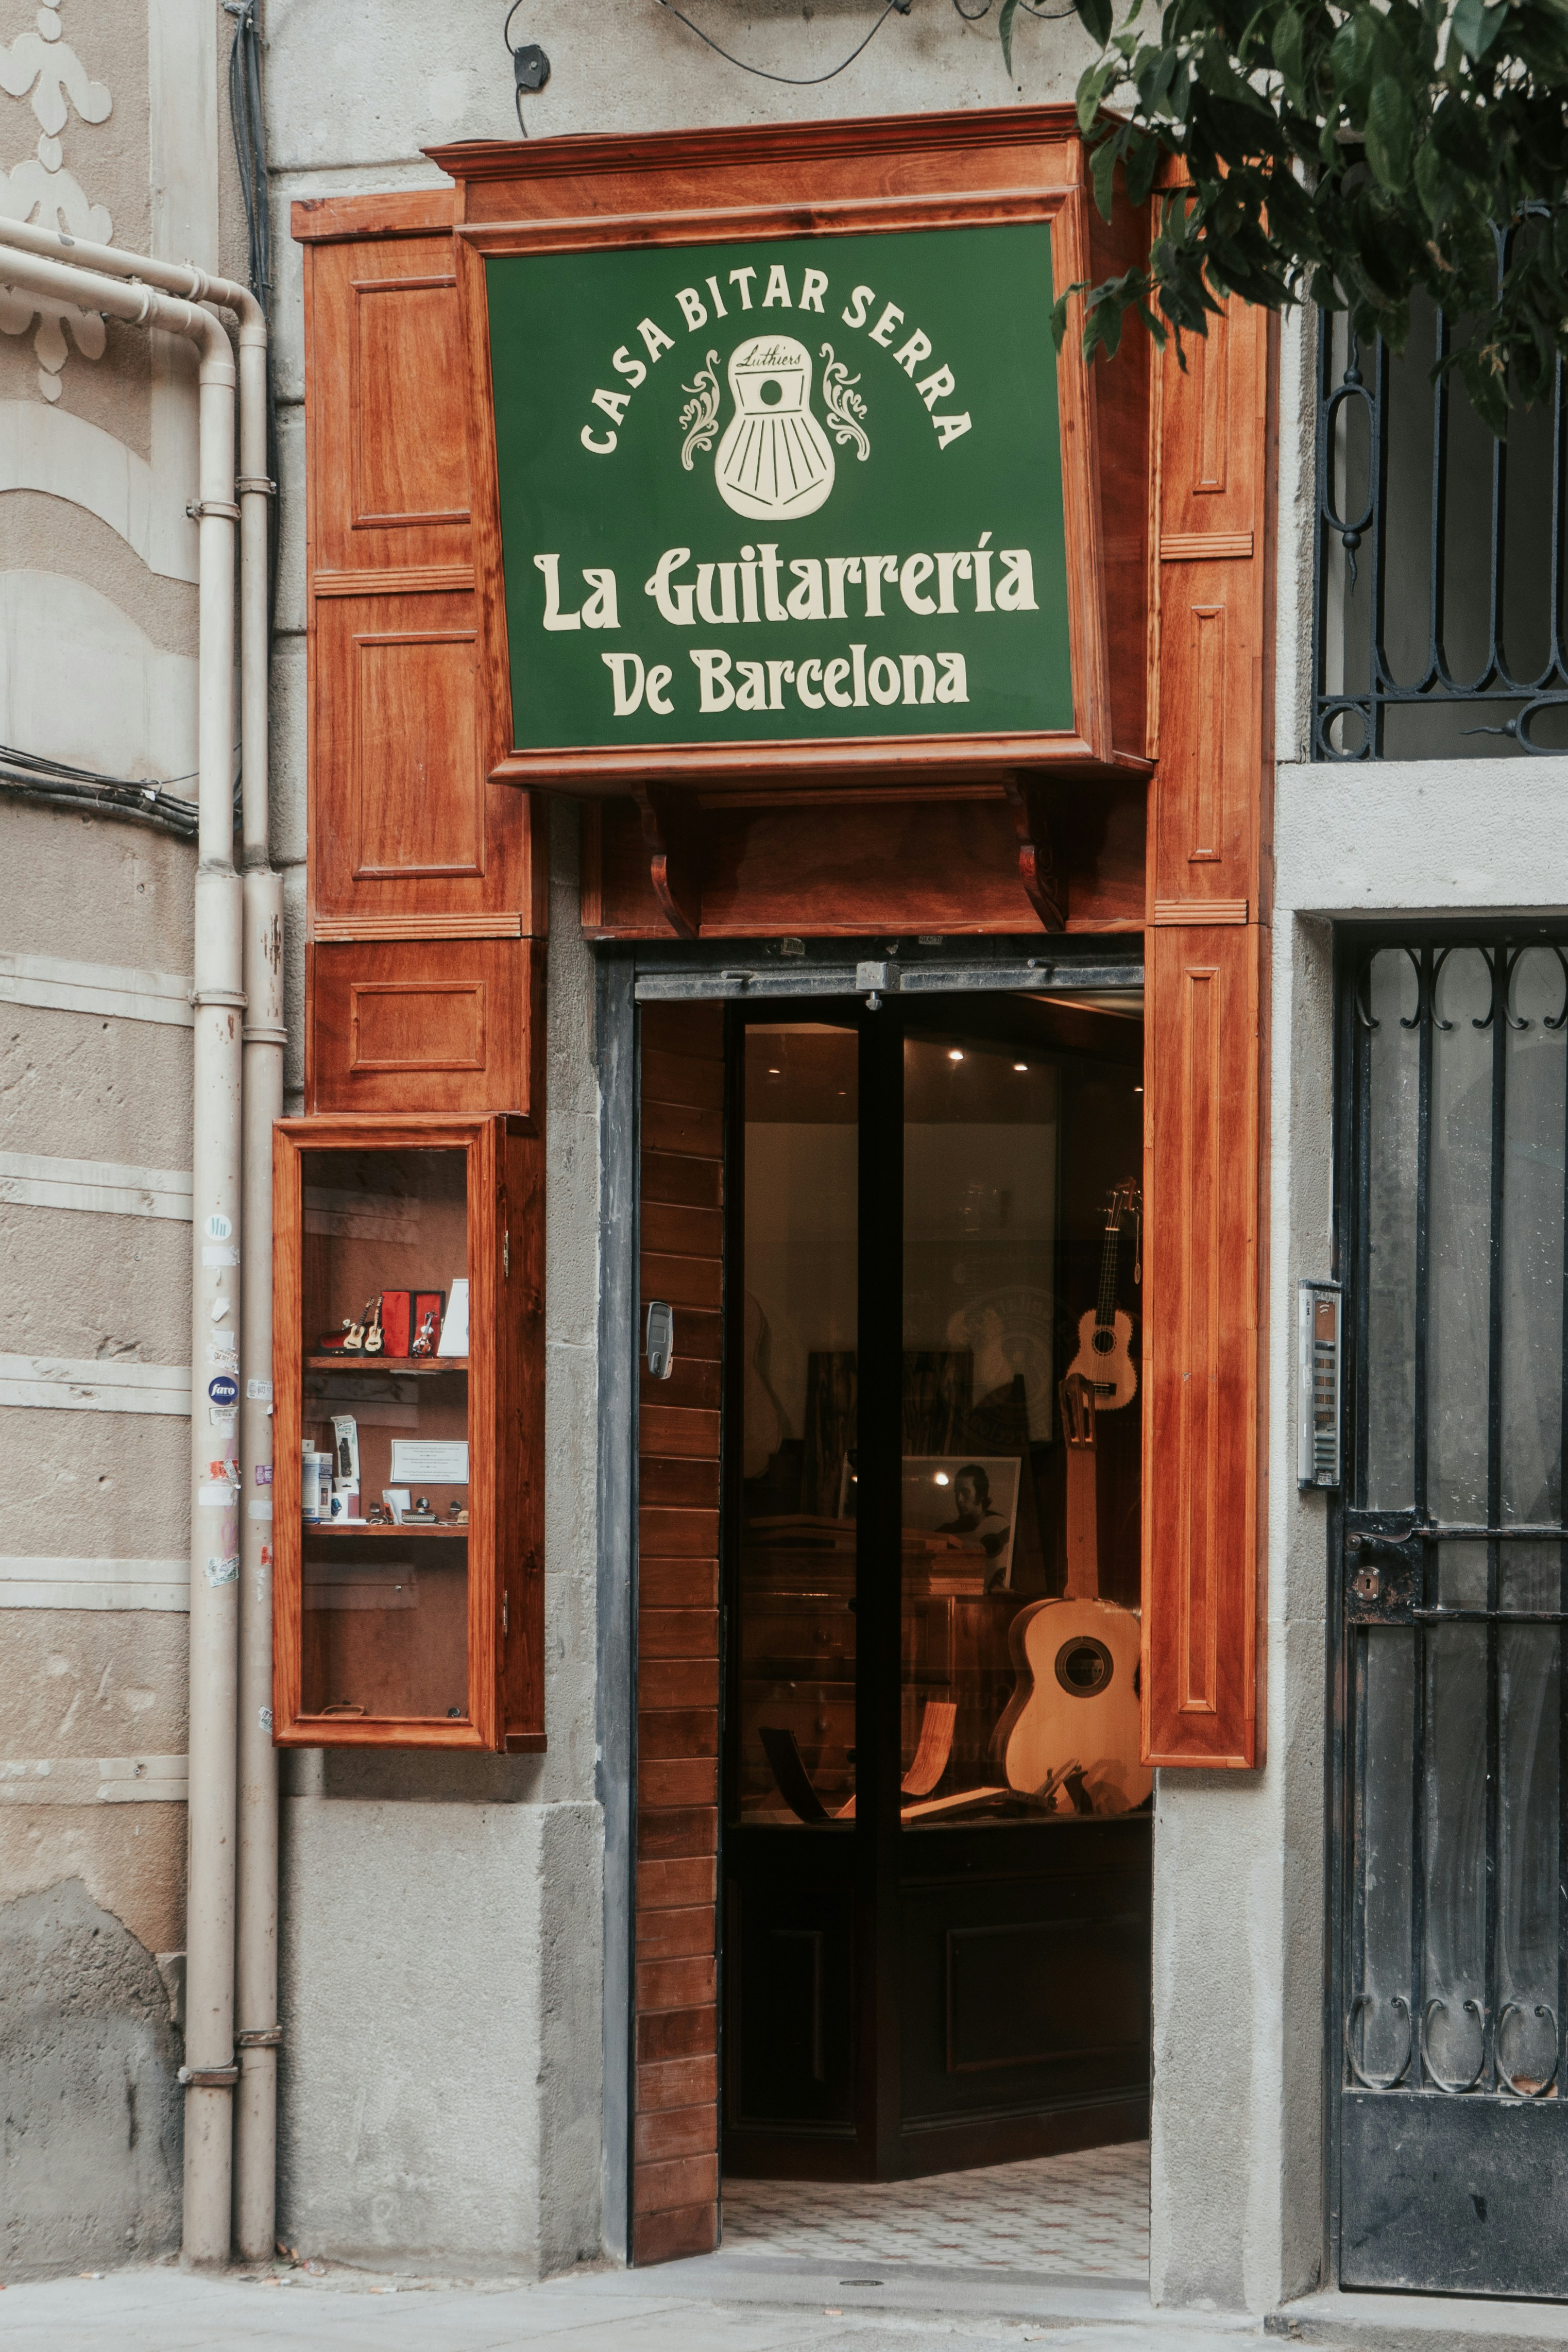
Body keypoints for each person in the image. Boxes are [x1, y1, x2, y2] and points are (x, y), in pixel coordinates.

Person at [936, 1464, 1012, 1589]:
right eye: (957, 1493)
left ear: (981, 1494)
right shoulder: (950, 1530)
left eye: (966, 1492)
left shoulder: (1000, 1524)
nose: (959, 1499)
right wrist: (960, 1545)